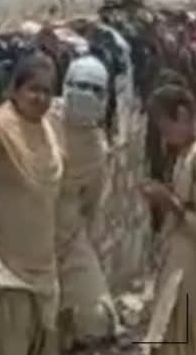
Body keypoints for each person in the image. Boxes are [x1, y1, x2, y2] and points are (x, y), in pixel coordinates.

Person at [0, 51, 64, 355]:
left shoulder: (49, 128)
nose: (40, 97)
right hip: (7, 267)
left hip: (44, 263)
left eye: (47, 91)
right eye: (33, 89)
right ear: (15, 89)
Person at [47, 56, 119, 351]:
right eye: (80, 86)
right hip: (31, 234)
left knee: (95, 316)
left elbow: (91, 202)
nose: (86, 94)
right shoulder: (43, 119)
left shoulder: (97, 148)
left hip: (70, 235)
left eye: (94, 88)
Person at [141, 84, 196, 354]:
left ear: (183, 114)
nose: (164, 137)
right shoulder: (184, 156)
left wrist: (169, 202)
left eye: (166, 127)